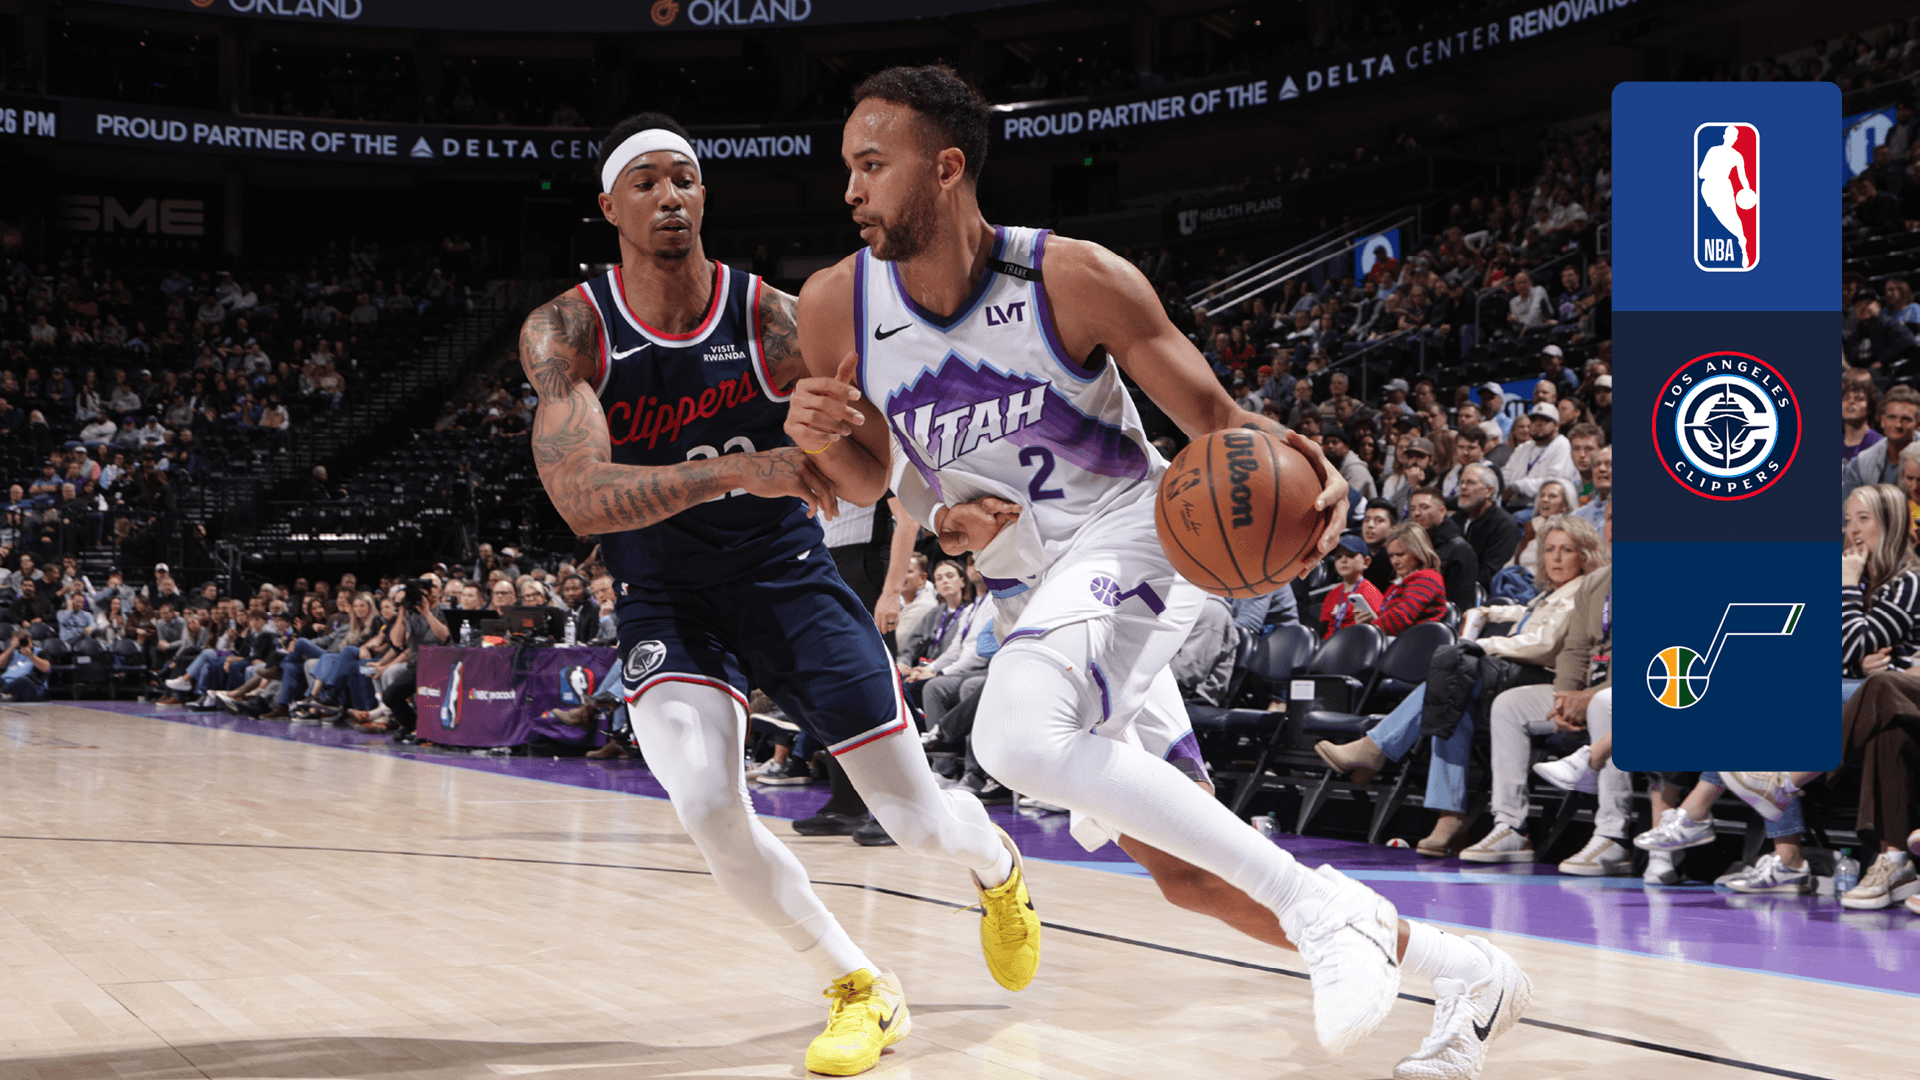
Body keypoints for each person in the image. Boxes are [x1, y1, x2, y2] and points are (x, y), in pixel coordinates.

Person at [783, 64, 1528, 1078]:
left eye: (872, 165)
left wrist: (1309, 467)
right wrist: (862, 465)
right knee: (1191, 875)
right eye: (848, 167)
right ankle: (1468, 973)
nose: (850, 190)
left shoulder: (1074, 278)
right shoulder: (835, 302)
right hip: (1028, 592)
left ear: (946, 169)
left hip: (1134, 538)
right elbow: (873, 477)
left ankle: (1323, 915)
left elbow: (1217, 422)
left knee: (1012, 734)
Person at [517, 109, 1039, 1077]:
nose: (669, 197)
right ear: (609, 207)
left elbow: (865, 478)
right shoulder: (569, 331)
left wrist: (842, 451)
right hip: (666, 597)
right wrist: (737, 469)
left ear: (703, 194)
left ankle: (997, 867)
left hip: (787, 583)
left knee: (917, 820)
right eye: (646, 183)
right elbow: (581, 499)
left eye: (684, 179)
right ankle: (859, 985)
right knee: (706, 804)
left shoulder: (776, 321)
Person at [1316, 517, 1603, 858]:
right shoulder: (1550, 593)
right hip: (1514, 677)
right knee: (1452, 701)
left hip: (1546, 681)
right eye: (1550, 549)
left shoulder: (1582, 592)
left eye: (1566, 550)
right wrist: (1491, 612)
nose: (1555, 557)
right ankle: (1448, 817)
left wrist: (1483, 645)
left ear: (1584, 555)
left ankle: (1377, 750)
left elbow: (1545, 645)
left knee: (1453, 676)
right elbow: (1526, 613)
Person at [1320, 535, 1385, 638]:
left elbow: (1377, 630)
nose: (1343, 560)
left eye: (1350, 555)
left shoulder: (1371, 592)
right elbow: (1325, 628)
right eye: (1338, 557)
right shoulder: (1332, 594)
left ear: (1366, 562)